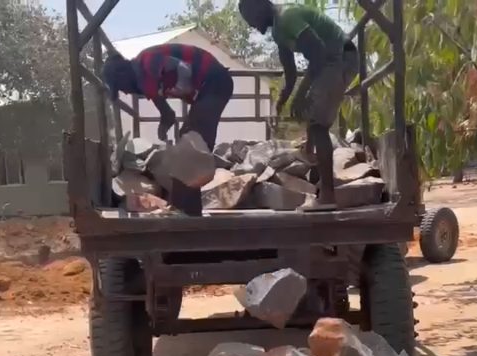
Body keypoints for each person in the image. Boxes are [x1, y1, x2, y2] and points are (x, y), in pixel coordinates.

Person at [239, 0, 358, 207]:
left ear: (261, 7)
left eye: (250, 18)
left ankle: (327, 196)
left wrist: (301, 94)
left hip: (341, 58)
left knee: (318, 125)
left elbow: (318, 54)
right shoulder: (279, 32)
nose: (251, 25)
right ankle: (309, 153)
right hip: (330, 61)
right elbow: (291, 74)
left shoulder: (287, 17)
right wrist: (281, 101)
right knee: (309, 109)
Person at [102, 45, 234, 152]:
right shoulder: (147, 82)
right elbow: (167, 113)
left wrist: (180, 87)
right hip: (208, 86)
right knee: (187, 135)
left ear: (123, 73)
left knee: (195, 134)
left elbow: (184, 70)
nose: (125, 92)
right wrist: (165, 122)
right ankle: (197, 169)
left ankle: (198, 171)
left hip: (215, 80)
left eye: (120, 87)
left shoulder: (147, 62)